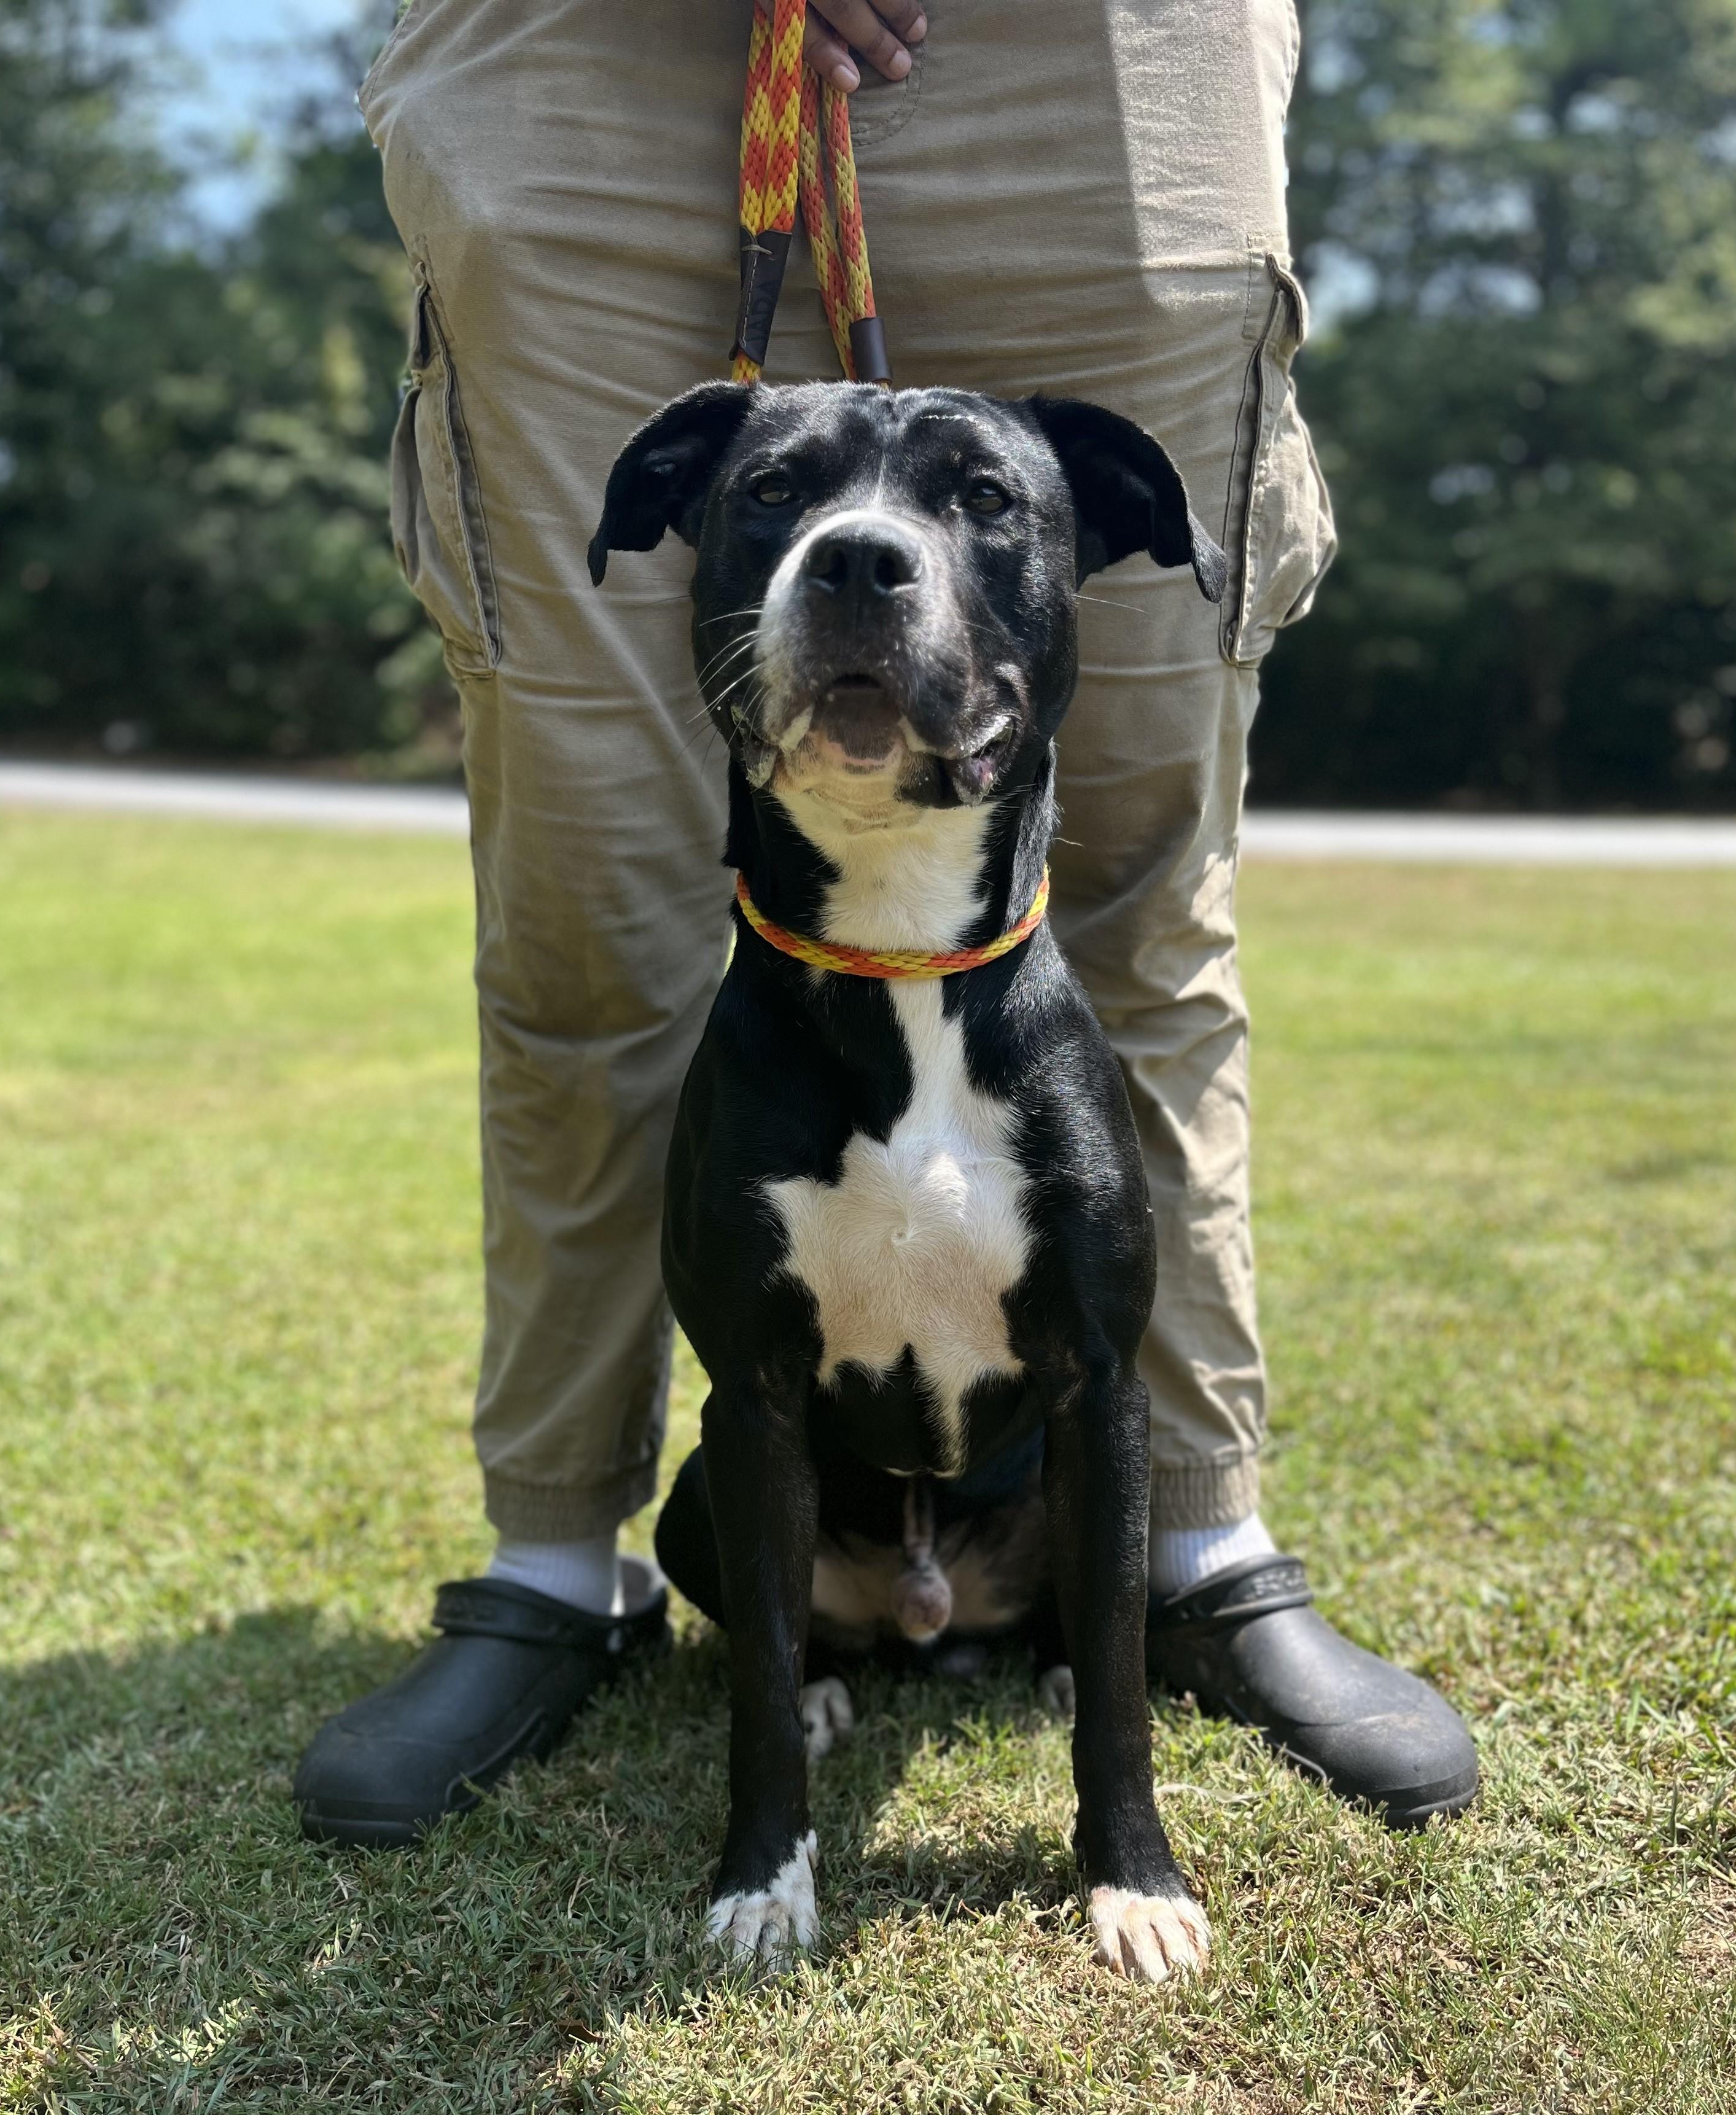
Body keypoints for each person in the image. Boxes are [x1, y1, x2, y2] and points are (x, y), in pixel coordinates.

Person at [294, 0, 1477, 1847]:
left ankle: (1193, 1542)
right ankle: (557, 1556)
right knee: (588, 904)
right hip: (587, 51)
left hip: (1099, 54)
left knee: (1141, 885)